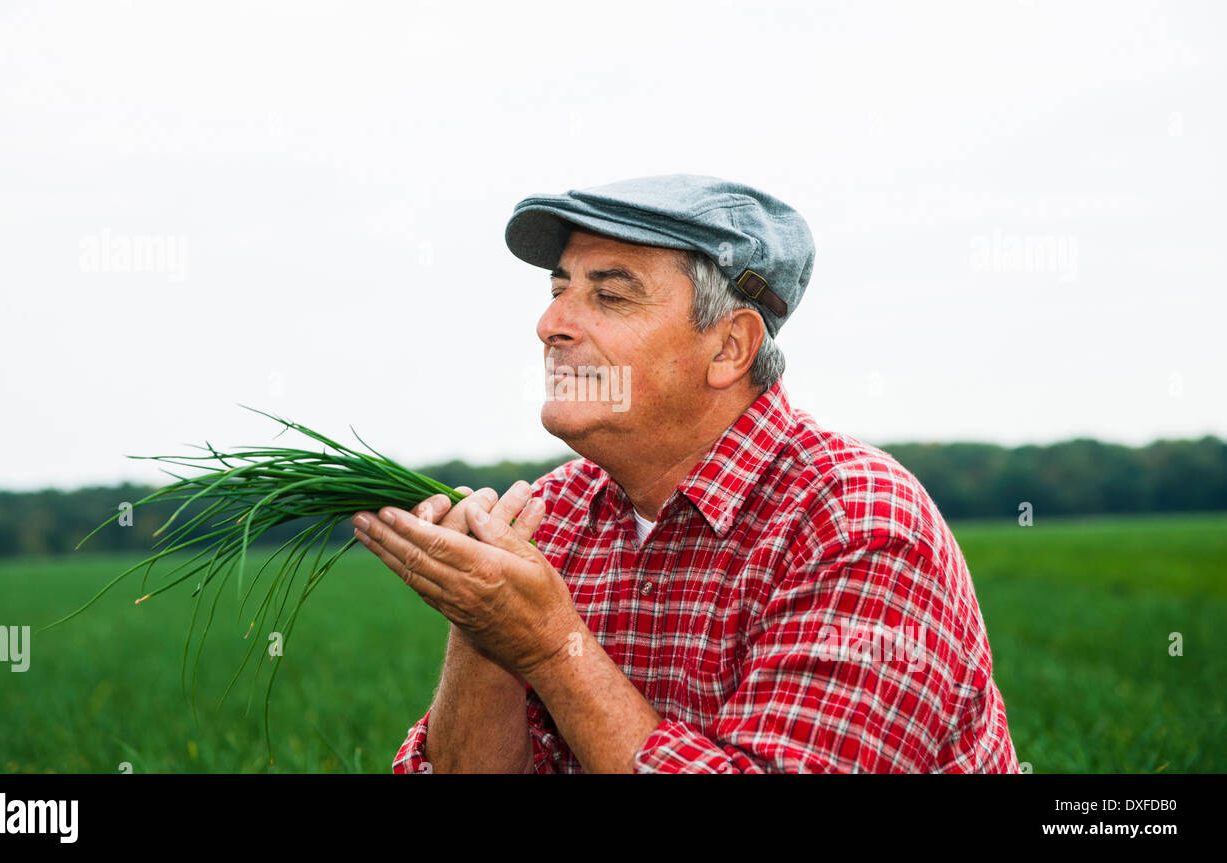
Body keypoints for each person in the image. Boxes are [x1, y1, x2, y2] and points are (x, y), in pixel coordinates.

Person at [351, 174, 1018, 773]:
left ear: (729, 347)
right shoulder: (552, 512)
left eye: (609, 295)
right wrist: (481, 623)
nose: (550, 324)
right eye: (559, 290)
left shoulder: (857, 523)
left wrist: (553, 647)